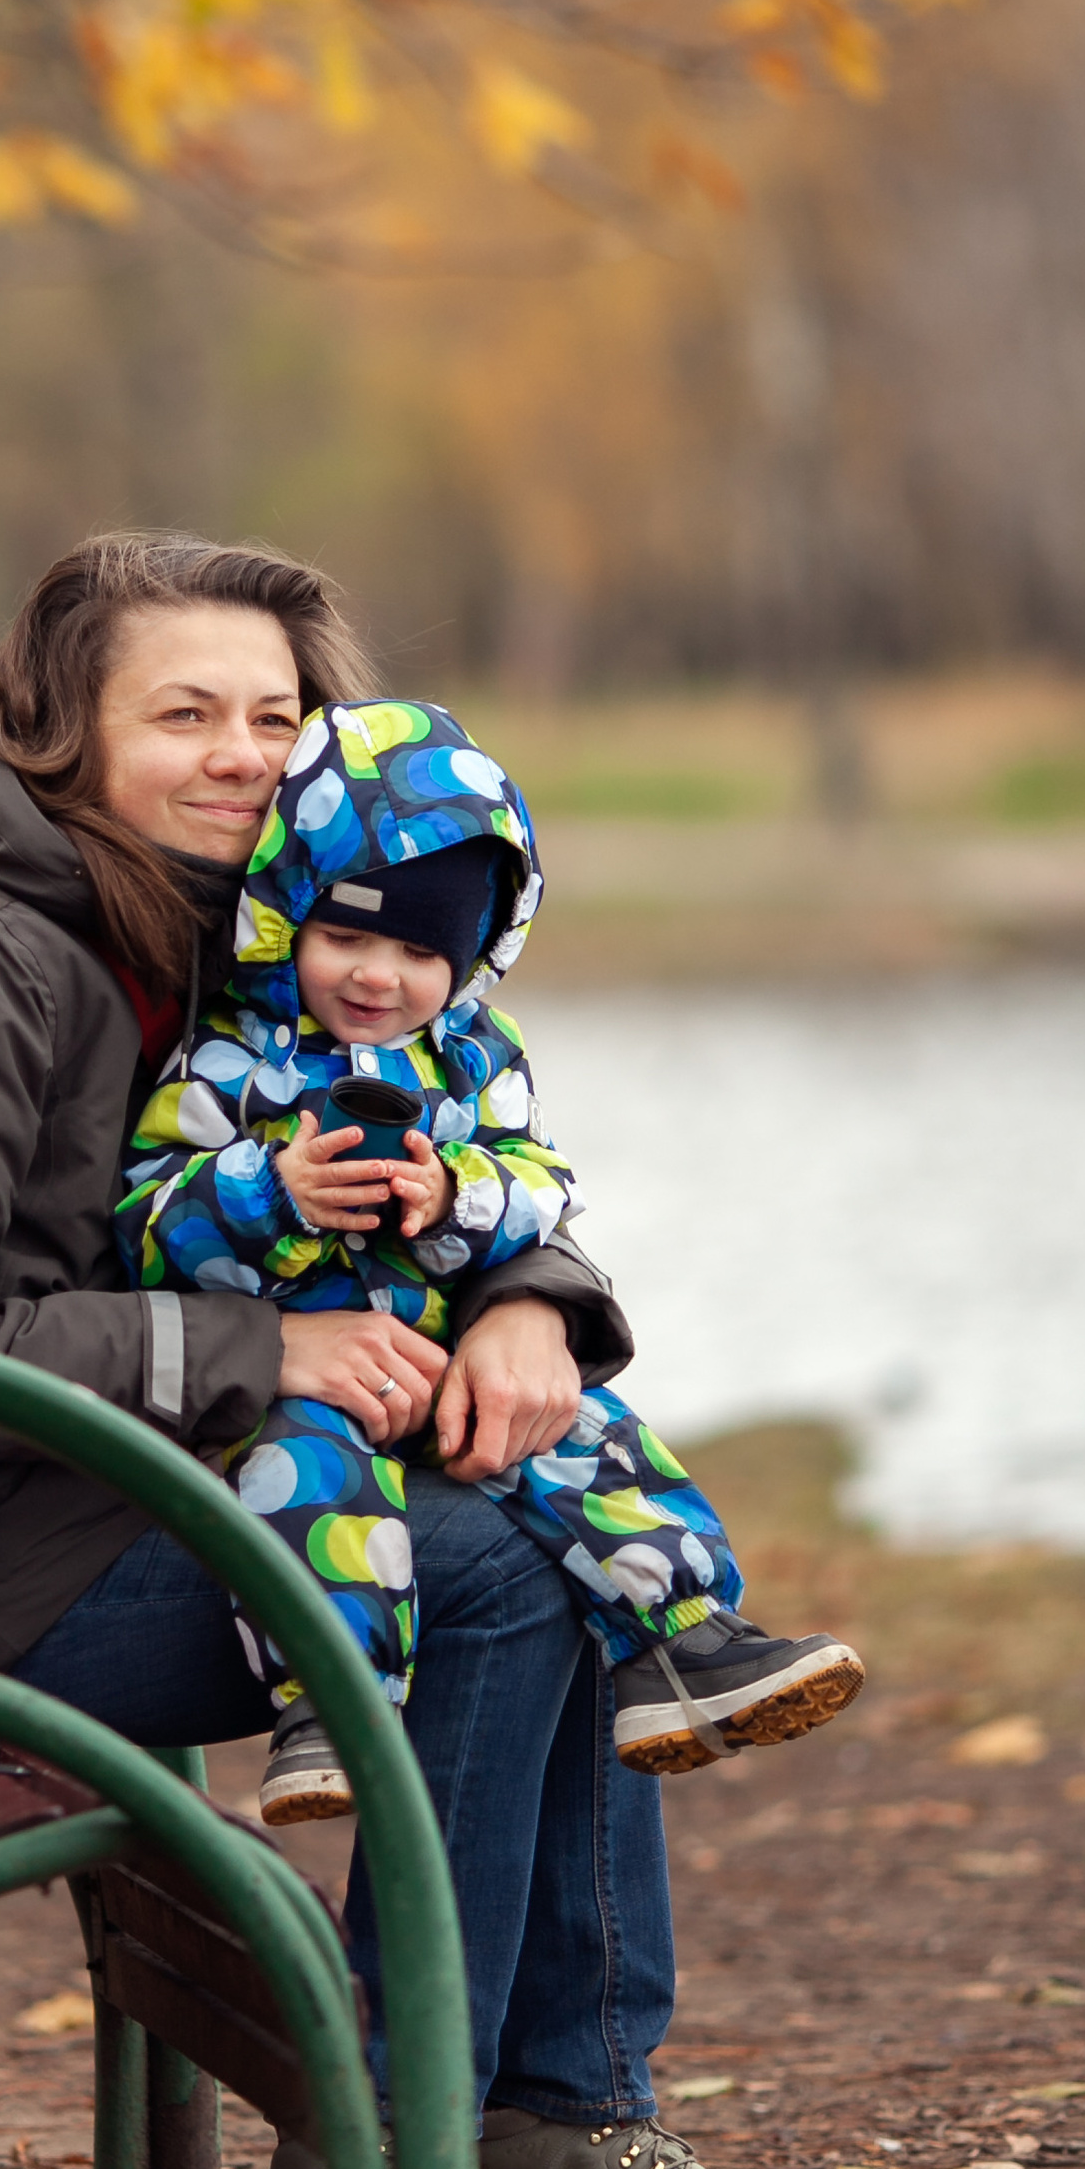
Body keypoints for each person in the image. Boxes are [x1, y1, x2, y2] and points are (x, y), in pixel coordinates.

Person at [0, 531, 843, 2169]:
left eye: (275, 714)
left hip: (98, 1498)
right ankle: (388, 2156)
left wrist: (534, 1298)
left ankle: (562, 2123)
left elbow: (437, 1148)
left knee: (522, 1506)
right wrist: (264, 1350)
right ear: (57, 732)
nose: (243, 753)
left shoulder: (231, 933)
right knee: (488, 1569)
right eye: (186, 715)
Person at [115, 695, 865, 1823]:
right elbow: (145, 1225)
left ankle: (680, 1640)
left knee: (585, 1437)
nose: (379, 976)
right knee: (307, 1488)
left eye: (421, 951)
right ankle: (332, 1710)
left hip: (448, 1354)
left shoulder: (476, 1059)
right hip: (293, 1376)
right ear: (286, 911)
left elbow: (541, 1181)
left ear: (471, 955)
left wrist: (455, 1195)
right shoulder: (221, 1059)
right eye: (346, 935)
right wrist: (272, 1193)